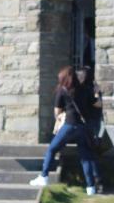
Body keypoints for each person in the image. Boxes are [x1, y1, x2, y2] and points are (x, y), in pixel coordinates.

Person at [30, 65, 100, 195]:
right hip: (83, 127)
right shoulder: (84, 89)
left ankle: (44, 177)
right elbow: (97, 104)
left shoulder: (62, 91)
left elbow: (57, 112)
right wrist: (96, 92)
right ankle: (91, 187)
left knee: (52, 149)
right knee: (85, 157)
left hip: (69, 125)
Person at [76, 66, 104, 193]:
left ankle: (96, 182)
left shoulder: (85, 89)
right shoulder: (89, 89)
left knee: (89, 154)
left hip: (89, 124)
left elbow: (98, 105)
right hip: (90, 124)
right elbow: (98, 104)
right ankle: (96, 181)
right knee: (91, 154)